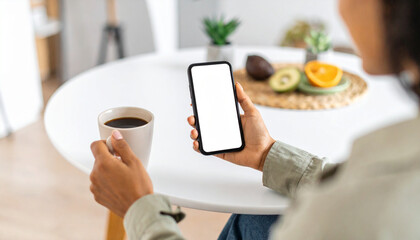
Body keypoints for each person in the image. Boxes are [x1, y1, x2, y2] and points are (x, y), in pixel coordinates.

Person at [89, 0, 420, 239]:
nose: (341, 8)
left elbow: (353, 207)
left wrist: (139, 208)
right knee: (255, 218)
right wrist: (269, 154)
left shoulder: (373, 197)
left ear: (396, 9)